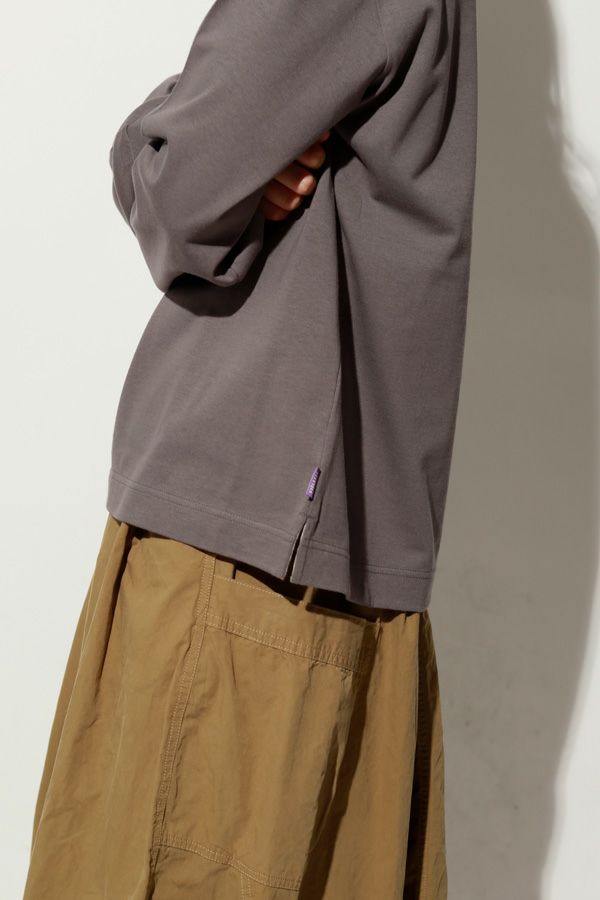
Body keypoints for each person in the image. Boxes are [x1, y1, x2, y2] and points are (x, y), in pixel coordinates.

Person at [23, 0, 477, 896]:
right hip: (333, 565)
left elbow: (185, 183)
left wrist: (152, 134)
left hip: (246, 566)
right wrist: (226, 146)